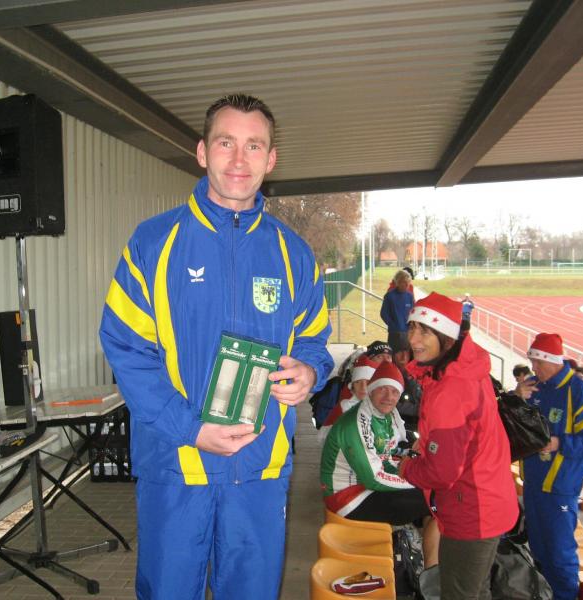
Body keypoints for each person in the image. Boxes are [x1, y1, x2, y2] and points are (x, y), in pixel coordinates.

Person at [99, 93, 333, 600]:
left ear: (271, 159)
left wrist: (311, 371)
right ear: (202, 151)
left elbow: (314, 337)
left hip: (260, 467)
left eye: (254, 145)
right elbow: (126, 347)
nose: (239, 159)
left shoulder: (294, 254)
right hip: (176, 463)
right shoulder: (152, 243)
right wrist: (192, 429)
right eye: (226, 143)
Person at [398, 292, 518, 599]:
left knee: (459, 594)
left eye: (425, 331)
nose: (413, 339)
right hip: (486, 500)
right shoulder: (459, 370)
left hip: (472, 510)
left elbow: (442, 472)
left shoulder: (451, 388)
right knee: (477, 590)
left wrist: (406, 467)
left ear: (447, 337)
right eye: (412, 328)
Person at [321, 361, 439, 568]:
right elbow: (373, 478)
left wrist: (412, 467)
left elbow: (387, 455)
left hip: (362, 489)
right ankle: (431, 573)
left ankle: (424, 562)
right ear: (371, 390)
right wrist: (418, 480)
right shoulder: (357, 422)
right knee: (436, 501)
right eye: (382, 389)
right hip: (347, 498)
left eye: (394, 391)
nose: (388, 396)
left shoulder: (385, 414)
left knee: (433, 501)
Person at [521, 333, 583, 600]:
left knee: (559, 554)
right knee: (538, 549)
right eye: (532, 362)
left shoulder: (582, 394)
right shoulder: (533, 386)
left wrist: (559, 443)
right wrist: (516, 396)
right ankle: (544, 594)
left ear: (553, 361)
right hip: (533, 483)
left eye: (538, 362)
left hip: (559, 488)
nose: (534, 368)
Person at [318, 354, 377, 443]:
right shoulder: (345, 407)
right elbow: (326, 436)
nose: (363, 387)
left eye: (367, 382)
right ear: (352, 387)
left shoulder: (380, 405)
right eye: (358, 382)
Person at [380, 270, 414, 354]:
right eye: (404, 282)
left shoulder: (410, 296)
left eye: (408, 282)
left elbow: (413, 312)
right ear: (397, 282)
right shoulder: (389, 296)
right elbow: (383, 313)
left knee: (407, 356)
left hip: (408, 333)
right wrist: (393, 325)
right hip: (394, 333)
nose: (407, 285)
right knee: (394, 356)